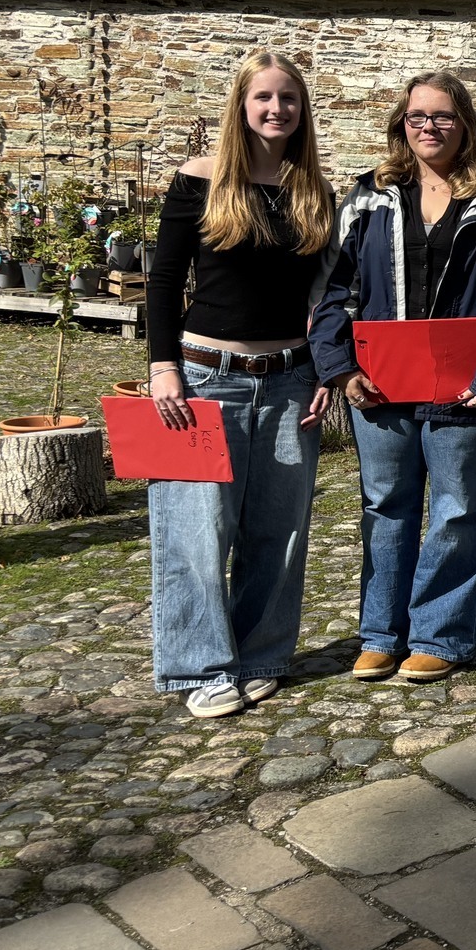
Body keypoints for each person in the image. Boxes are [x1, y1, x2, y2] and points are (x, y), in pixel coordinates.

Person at [311, 71, 476, 685]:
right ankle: (381, 633)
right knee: (386, 506)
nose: (429, 127)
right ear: (401, 124)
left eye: (442, 116)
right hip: (379, 386)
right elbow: (332, 289)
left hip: (467, 390)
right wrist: (340, 367)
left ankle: (441, 634)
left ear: (464, 124)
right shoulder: (367, 198)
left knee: (457, 510)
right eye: (417, 116)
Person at [145, 49, 336, 718]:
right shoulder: (198, 180)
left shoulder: (312, 191)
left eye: (288, 98)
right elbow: (163, 281)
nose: (276, 108)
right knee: (195, 532)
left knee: (278, 531)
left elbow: (324, 294)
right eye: (264, 97)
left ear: (302, 109)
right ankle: (199, 666)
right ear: (242, 104)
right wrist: (163, 367)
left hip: (289, 381)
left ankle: (260, 655)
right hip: (205, 379)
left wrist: (325, 369)